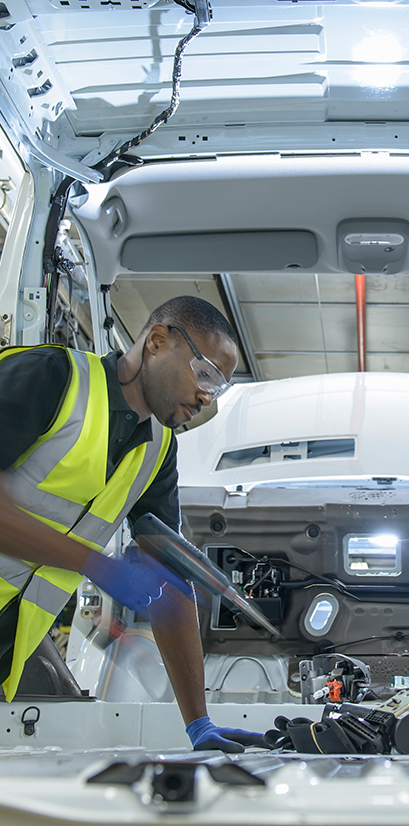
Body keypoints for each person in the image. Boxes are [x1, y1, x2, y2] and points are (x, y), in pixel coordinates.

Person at [0, 295, 266, 751]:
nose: (206, 396)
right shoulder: (51, 376)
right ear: (158, 341)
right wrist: (97, 566)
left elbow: (170, 581)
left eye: (218, 387)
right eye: (204, 374)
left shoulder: (158, 451)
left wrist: (198, 724)